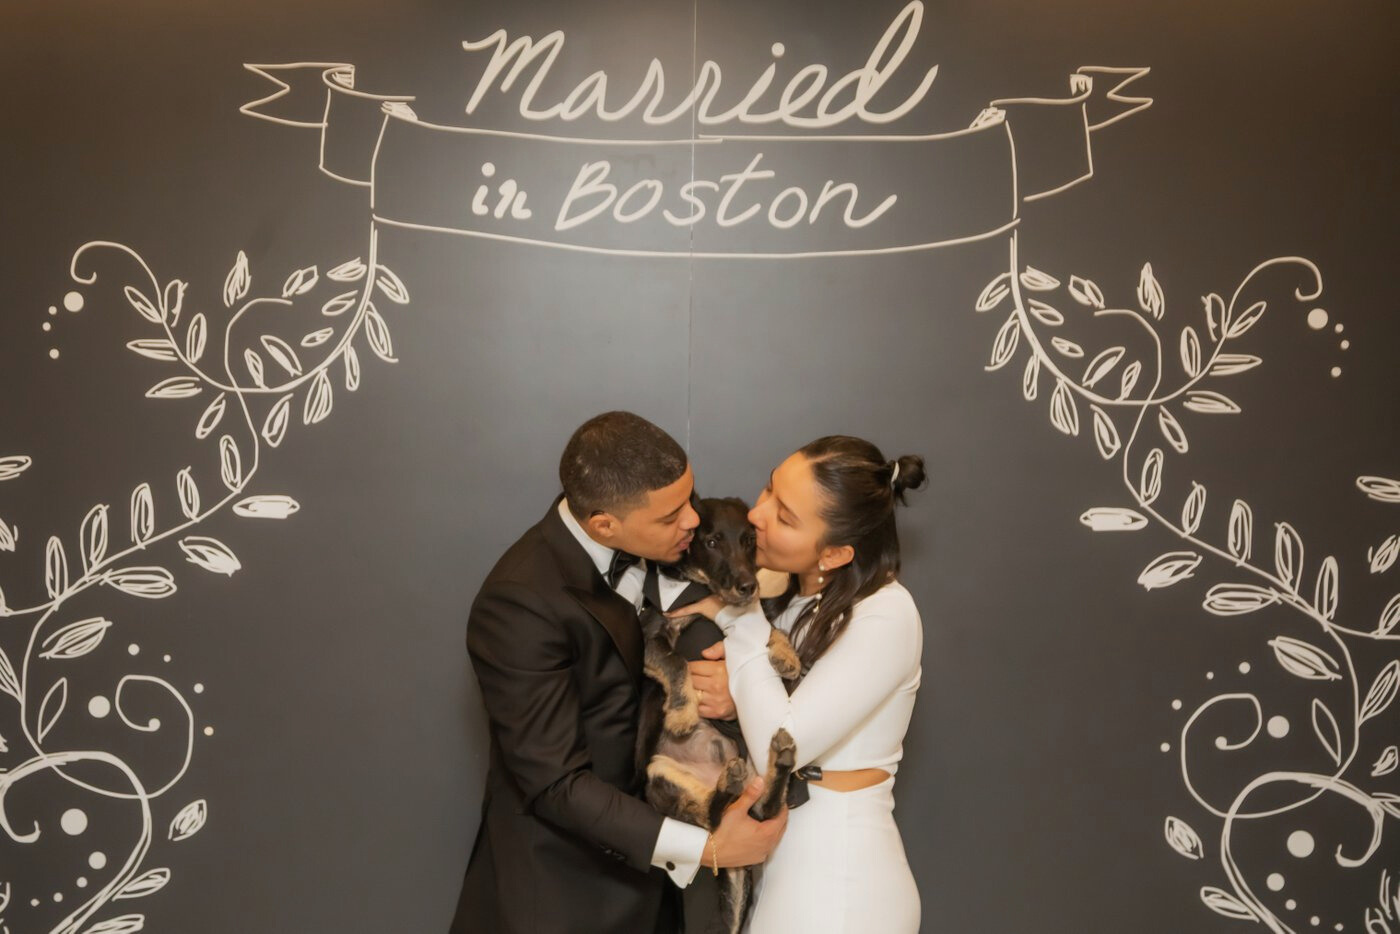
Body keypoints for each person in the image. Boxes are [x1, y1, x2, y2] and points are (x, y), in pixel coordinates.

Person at [450, 411, 787, 934]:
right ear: (604, 524)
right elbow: (557, 782)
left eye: (691, 499)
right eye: (671, 515)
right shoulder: (519, 602)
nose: (692, 521)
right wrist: (708, 849)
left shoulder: (663, 547)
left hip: (654, 885)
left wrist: (733, 687)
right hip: (563, 892)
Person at [671, 435, 927, 933]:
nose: (757, 515)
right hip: (773, 859)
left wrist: (738, 617)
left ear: (834, 554)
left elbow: (780, 743)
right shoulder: (791, 603)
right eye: (769, 489)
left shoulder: (886, 614)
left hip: (837, 878)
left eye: (785, 517)